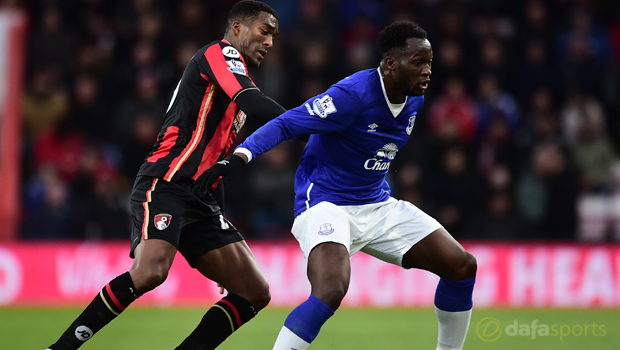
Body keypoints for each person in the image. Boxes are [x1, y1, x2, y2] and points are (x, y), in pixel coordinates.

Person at [200, 21, 477, 350]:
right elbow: (288, 122)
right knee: (330, 290)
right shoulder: (352, 95)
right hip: (324, 203)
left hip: (376, 204)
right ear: (391, 64)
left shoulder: (414, 99)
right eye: (418, 62)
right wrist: (242, 156)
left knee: (462, 266)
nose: (427, 70)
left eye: (429, 62)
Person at [46, 1, 287, 350]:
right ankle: (60, 347)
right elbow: (255, 102)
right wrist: (310, 122)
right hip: (166, 182)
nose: (269, 42)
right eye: (265, 31)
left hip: (201, 200)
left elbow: (215, 160)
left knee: (254, 291)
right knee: (150, 272)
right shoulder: (220, 54)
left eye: (274, 37)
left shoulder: (238, 90)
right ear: (237, 28)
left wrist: (219, 231)